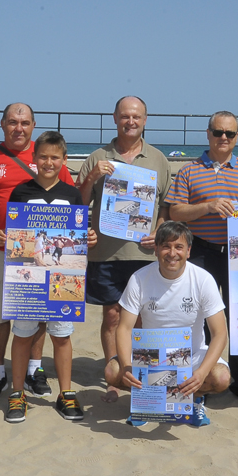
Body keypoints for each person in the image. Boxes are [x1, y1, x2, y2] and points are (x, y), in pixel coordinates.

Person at [0, 103, 75, 400]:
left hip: (39, 255)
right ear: (2, 125)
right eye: (12, 122)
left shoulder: (48, 156)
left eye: (24, 123)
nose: (18, 128)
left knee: (37, 309)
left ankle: (34, 368)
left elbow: (71, 202)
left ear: (33, 126)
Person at [75, 96, 171, 402]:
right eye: (125, 116)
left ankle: (139, 375)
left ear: (145, 120)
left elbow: (166, 206)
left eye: (137, 117)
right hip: (106, 253)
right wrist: (93, 176)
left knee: (143, 318)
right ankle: (114, 376)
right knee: (113, 316)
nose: (131, 121)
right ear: (115, 118)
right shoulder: (98, 156)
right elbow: (79, 202)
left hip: (144, 255)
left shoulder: (158, 159)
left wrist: (157, 231)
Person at [164, 111, 238, 405]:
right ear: (207, 134)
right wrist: (206, 207)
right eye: (218, 132)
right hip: (202, 250)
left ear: (237, 138)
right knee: (200, 316)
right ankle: (202, 378)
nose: (223, 138)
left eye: (229, 134)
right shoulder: (188, 171)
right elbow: (175, 212)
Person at [0, 131, 98, 423]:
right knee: (22, 335)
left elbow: (77, 238)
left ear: (65, 160)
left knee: (62, 335)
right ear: (33, 159)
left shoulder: (72, 195)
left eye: (55, 157)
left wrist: (89, 237)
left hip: (61, 279)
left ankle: (66, 394)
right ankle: (18, 394)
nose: (48, 162)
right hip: (28, 279)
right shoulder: (20, 192)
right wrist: (4, 235)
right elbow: (13, 234)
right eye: (43, 156)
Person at [104, 221, 232, 427]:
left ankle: (194, 399)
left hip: (190, 355)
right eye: (166, 246)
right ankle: (145, 404)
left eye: (179, 247)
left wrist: (200, 374)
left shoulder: (203, 280)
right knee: (112, 371)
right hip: (149, 356)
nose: (172, 253)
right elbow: (124, 328)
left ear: (189, 251)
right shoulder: (139, 278)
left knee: (221, 378)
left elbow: (219, 333)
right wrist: (128, 366)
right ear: (155, 250)